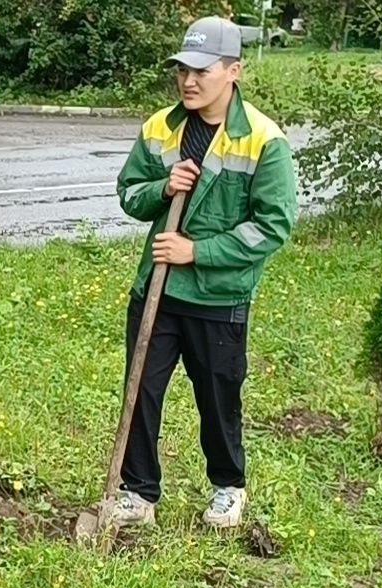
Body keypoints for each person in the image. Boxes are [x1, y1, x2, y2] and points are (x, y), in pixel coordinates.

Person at [109, 15, 298, 530]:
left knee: (217, 396)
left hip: (218, 297)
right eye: (182, 71)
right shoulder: (160, 128)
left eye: (202, 70)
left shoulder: (262, 139)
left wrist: (197, 251)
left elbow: (274, 226)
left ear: (234, 71)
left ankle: (228, 488)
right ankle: (138, 493)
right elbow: (129, 192)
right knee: (141, 389)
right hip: (158, 288)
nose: (189, 81)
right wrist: (163, 189)